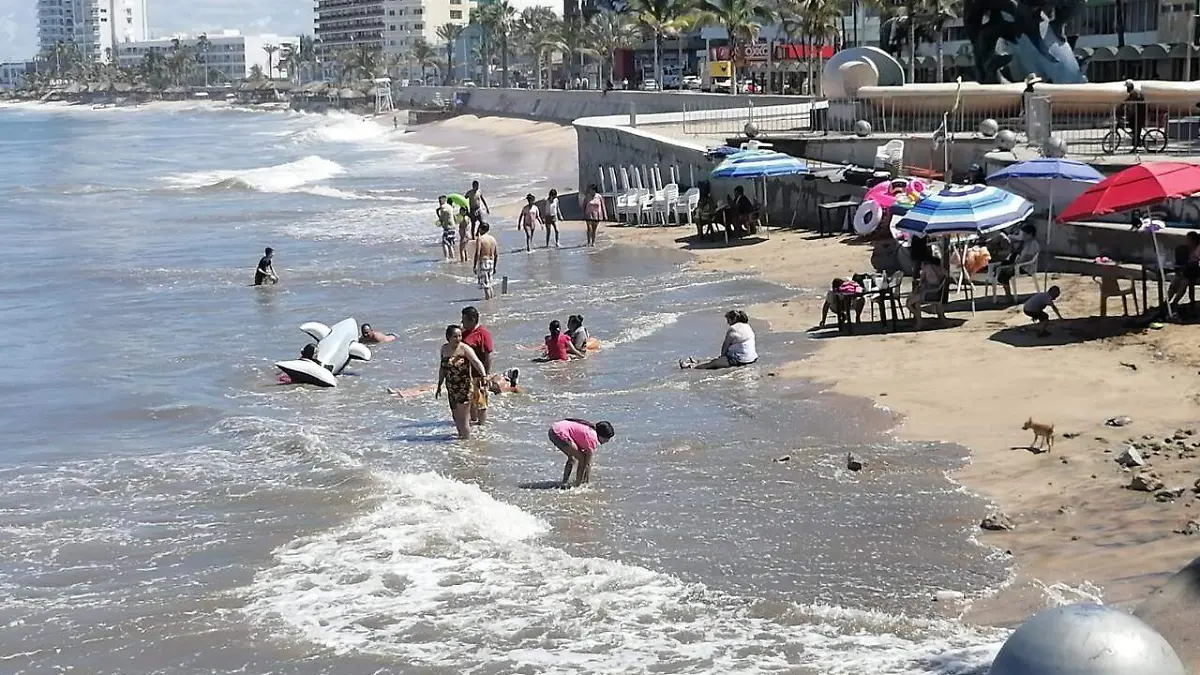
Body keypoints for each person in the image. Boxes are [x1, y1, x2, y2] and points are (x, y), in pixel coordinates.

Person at [435, 324, 487, 440]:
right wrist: (439, 385)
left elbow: (476, 362)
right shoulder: (444, 349)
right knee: (456, 417)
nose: (458, 339)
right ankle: (461, 440)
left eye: (460, 336)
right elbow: (442, 368)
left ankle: (467, 443)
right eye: (455, 336)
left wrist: (483, 375)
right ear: (448, 337)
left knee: (463, 419)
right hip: (451, 388)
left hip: (464, 387)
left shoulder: (464, 349)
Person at [547, 418, 616, 488]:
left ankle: (564, 482)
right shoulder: (592, 439)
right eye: (607, 438)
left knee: (573, 458)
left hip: (555, 428)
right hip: (558, 433)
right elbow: (587, 464)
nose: (607, 441)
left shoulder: (591, 430)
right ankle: (577, 485)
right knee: (582, 459)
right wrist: (585, 484)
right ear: (601, 435)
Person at [679, 310, 757, 370]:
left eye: (728, 320)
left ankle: (690, 366)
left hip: (741, 360)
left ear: (734, 319)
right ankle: (698, 362)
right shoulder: (747, 326)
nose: (727, 322)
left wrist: (721, 357)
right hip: (752, 358)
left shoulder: (733, 329)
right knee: (718, 359)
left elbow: (725, 346)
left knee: (713, 363)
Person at [461, 306, 494, 425]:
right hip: (466, 374)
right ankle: (473, 423)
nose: (462, 322)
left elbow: (488, 355)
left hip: (479, 374)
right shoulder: (464, 333)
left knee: (481, 402)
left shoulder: (483, 334)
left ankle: (481, 427)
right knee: (470, 401)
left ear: (472, 320)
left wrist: (486, 374)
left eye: (464, 320)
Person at [996, 222, 1040, 304]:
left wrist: (1013, 266)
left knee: (1004, 274)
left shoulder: (1033, 244)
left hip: (1025, 267)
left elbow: (1026, 258)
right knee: (1001, 266)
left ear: (1030, 234)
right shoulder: (1026, 242)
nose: (1023, 236)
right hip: (1019, 265)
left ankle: (1008, 296)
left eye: (1025, 234)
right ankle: (1005, 289)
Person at [906, 257, 948, 321]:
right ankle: (919, 321)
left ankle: (919, 320)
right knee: (917, 304)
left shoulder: (927, 268)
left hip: (928, 293)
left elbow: (921, 282)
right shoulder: (940, 269)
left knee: (908, 303)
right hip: (936, 292)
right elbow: (946, 275)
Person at [1168, 231, 1200, 311]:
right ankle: (1167, 302)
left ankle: (1175, 302)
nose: (1187, 242)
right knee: (1175, 282)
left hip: (1194, 272)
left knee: (1184, 283)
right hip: (1185, 271)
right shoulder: (1184, 249)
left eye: (1189, 240)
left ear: (1194, 241)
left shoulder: (1198, 250)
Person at [473, 222, 499, 300]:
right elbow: (496, 254)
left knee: (485, 286)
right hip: (491, 262)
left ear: (481, 229)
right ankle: (492, 300)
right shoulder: (493, 239)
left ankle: (488, 303)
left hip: (483, 262)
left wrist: (474, 265)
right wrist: (495, 266)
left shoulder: (480, 239)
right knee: (489, 284)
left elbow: (477, 253)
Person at [1124, 80, 1147, 151]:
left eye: (1127, 87)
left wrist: (1123, 104)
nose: (1126, 89)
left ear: (1130, 87)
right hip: (1137, 113)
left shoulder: (1134, 93)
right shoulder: (1134, 92)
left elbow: (1130, 100)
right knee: (1132, 124)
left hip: (1139, 114)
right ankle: (1137, 141)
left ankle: (1136, 145)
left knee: (1136, 128)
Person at [436, 195, 456, 261]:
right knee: (450, 243)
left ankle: (446, 258)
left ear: (443, 200)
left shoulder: (443, 207)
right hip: (453, 227)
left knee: (445, 243)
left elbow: (441, 219)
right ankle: (453, 257)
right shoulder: (449, 206)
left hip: (448, 227)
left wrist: (438, 214)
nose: (439, 202)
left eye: (440, 201)